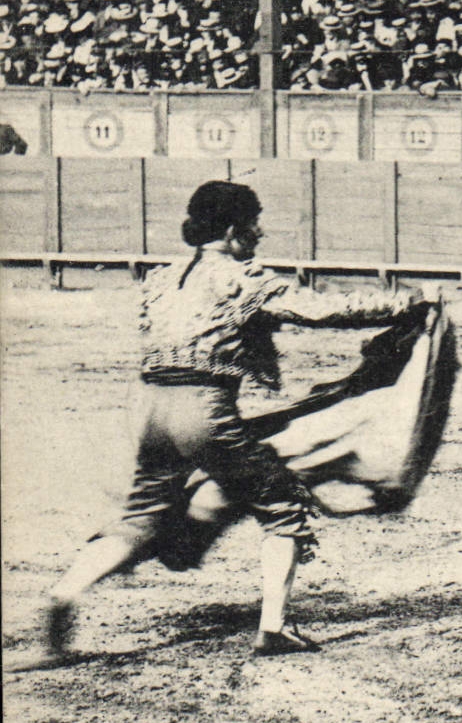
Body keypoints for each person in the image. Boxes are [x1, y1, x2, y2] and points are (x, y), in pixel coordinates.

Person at [18, 181, 425, 667]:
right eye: (254, 223)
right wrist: (408, 303)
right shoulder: (242, 278)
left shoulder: (163, 277)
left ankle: (62, 598)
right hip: (204, 408)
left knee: (144, 515)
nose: (259, 232)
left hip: (148, 408)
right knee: (282, 504)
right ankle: (272, 629)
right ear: (233, 230)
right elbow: (323, 310)